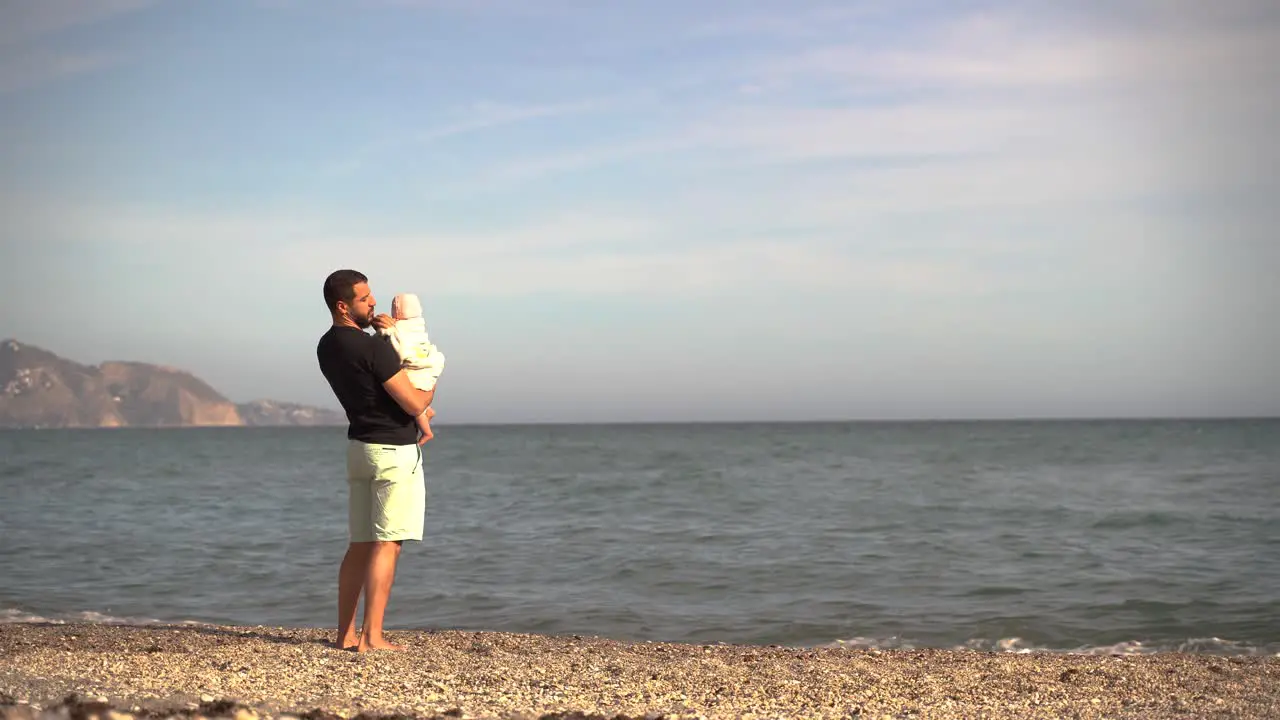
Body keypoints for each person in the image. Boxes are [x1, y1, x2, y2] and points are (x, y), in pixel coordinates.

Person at [316, 269, 435, 652]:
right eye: (365, 299)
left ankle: (345, 635)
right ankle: (373, 636)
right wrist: (431, 370)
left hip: (359, 450)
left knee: (361, 544)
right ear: (343, 305)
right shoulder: (373, 348)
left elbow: (370, 391)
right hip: (393, 452)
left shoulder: (327, 346)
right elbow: (415, 401)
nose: (373, 304)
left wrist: (385, 336)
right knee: (388, 544)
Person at [375, 292, 446, 443]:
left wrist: (381, 330)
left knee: (414, 402)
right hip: (428, 365)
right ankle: (428, 410)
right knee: (422, 390)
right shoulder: (419, 325)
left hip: (415, 367)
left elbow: (391, 342)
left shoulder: (396, 329)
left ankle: (427, 432)